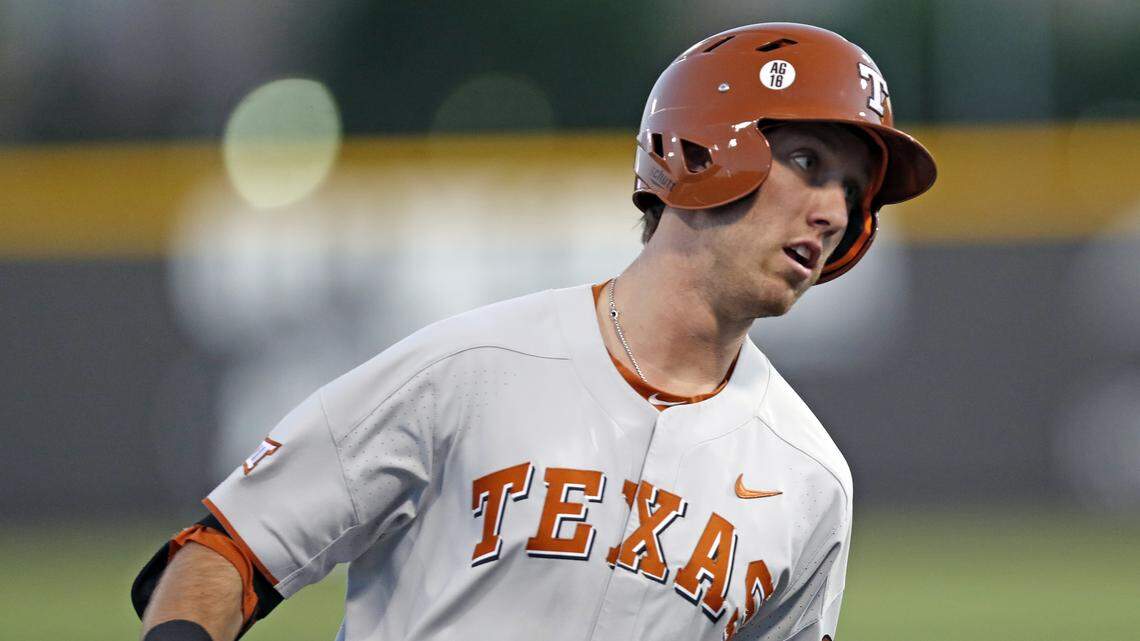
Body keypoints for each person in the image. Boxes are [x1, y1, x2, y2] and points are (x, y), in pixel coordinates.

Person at [133, 22, 936, 641]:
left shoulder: (810, 480)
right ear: (702, 147)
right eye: (805, 160)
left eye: (851, 188)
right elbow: (226, 550)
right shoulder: (473, 368)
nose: (832, 210)